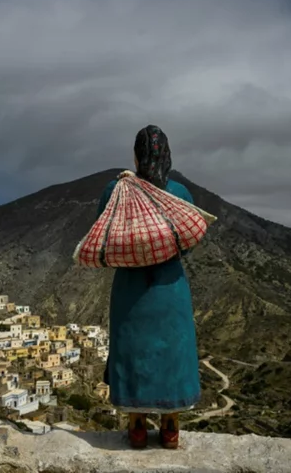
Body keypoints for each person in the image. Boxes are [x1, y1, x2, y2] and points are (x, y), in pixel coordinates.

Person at [97, 125, 201, 449]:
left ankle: (137, 426)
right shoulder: (180, 193)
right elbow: (188, 240)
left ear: (135, 156)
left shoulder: (115, 190)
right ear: (167, 155)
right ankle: (171, 428)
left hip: (130, 289)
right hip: (170, 288)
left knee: (132, 349)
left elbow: (105, 234)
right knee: (173, 349)